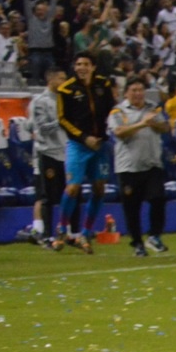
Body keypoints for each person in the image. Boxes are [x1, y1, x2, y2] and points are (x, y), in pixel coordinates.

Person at [56, 53, 118, 253]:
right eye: (78, 64)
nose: (81, 67)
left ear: (93, 67)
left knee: (99, 188)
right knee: (73, 188)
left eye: (85, 64)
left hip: (100, 145)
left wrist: (114, 127)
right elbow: (62, 119)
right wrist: (84, 138)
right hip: (78, 145)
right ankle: (61, 229)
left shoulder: (103, 85)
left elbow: (112, 109)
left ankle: (85, 233)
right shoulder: (66, 89)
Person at [107, 78, 169, 257]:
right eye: (133, 90)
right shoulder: (118, 111)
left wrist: (154, 123)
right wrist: (143, 123)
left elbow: (164, 127)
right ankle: (137, 243)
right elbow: (119, 132)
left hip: (152, 163)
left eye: (141, 90)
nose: (138, 94)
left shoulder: (153, 107)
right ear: (126, 93)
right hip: (128, 166)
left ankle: (154, 235)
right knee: (132, 208)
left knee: (159, 199)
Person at [26, 68, 69, 248]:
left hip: (66, 153)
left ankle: (68, 233)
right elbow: (40, 127)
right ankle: (46, 234)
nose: (64, 82)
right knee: (47, 197)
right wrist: (62, 120)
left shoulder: (66, 98)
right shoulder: (40, 101)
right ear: (50, 79)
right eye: (61, 78)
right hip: (47, 153)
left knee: (66, 194)